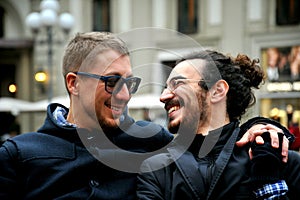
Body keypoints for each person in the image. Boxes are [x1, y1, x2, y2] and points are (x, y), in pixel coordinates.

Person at [0, 32, 290, 199]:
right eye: (112, 82)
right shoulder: (18, 154)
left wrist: (260, 127)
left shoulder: (152, 140)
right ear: (74, 83)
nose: (125, 95)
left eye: (129, 83)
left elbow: (211, 140)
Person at [137, 50, 300, 199]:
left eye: (177, 83)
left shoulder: (280, 160)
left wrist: (269, 183)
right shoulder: (156, 169)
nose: (163, 96)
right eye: (165, 87)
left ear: (217, 91)